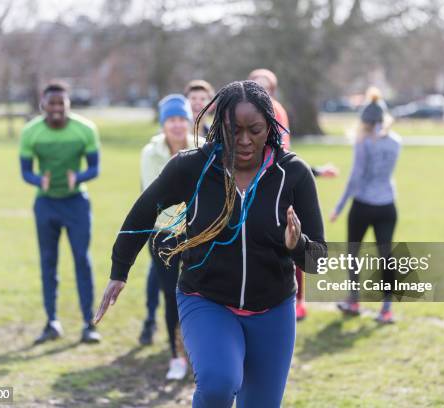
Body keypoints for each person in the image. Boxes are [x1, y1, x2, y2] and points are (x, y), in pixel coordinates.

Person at [94, 80, 327, 407]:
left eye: (255, 130)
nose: (245, 140)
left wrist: (296, 244)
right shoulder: (192, 167)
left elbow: (318, 259)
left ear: (269, 128)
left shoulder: (294, 173)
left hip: (273, 308)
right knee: (219, 383)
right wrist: (120, 270)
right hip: (207, 300)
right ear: (219, 127)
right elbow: (142, 214)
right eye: (235, 130)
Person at [248, 68, 338, 321]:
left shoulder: (276, 112)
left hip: (275, 188)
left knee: (292, 240)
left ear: (272, 91)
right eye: (255, 84)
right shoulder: (242, 109)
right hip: (248, 186)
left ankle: (296, 299)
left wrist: (316, 171)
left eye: (265, 86)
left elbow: (283, 156)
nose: (260, 89)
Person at [19, 80, 101, 344]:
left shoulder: (85, 130)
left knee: (81, 260)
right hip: (46, 204)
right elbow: (25, 171)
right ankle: (51, 321)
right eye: (51, 103)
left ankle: (89, 324)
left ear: (68, 104)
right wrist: (36, 181)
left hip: (76, 203)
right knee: (48, 262)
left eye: (61, 103)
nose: (56, 108)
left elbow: (94, 168)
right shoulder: (31, 132)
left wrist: (77, 177)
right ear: (43, 104)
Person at [329, 87, 401, 324]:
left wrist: (339, 207)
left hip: (363, 205)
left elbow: (356, 177)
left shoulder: (363, 142)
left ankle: (353, 300)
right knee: (385, 256)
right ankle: (387, 308)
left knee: (353, 254)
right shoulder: (396, 142)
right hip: (387, 205)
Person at [138, 94, 196, 380]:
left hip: (199, 234)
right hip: (163, 237)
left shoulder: (201, 148)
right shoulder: (151, 153)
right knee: (172, 295)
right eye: (171, 120)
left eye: (181, 119)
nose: (176, 125)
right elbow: (156, 199)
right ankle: (176, 356)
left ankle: (197, 351)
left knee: (200, 294)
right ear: (164, 123)